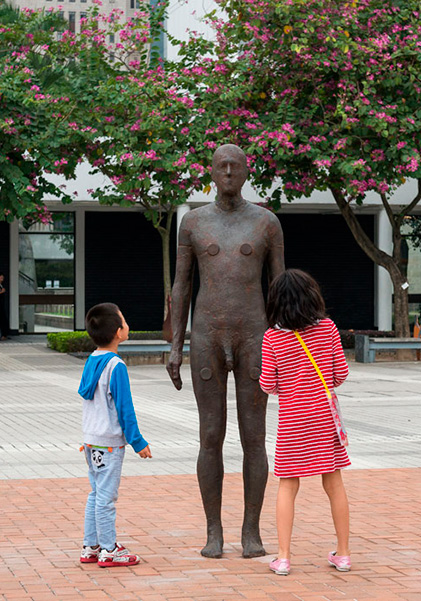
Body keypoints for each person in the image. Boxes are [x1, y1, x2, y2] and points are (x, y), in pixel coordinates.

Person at [167, 144, 285, 558]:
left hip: (255, 336)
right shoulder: (194, 222)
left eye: (237, 166)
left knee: (255, 437)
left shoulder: (267, 223)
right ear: (212, 172)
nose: (230, 172)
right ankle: (213, 530)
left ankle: (250, 531)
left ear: (247, 171)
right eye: (223, 166)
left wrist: (286, 346)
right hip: (207, 337)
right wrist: (176, 345)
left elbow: (280, 289)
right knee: (210, 435)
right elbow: (181, 286)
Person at [259, 269, 351, 576]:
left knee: (288, 484)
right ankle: (344, 553)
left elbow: (268, 384)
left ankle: (283, 557)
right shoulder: (328, 328)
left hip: (293, 421)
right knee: (334, 482)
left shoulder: (272, 336)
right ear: (312, 296)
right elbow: (340, 375)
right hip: (324, 419)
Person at [78, 303, 152, 568]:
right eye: (125, 321)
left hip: (90, 440)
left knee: (96, 494)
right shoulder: (116, 365)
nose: (127, 325)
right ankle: (109, 550)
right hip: (109, 444)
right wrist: (138, 442)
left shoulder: (92, 360)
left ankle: (91, 546)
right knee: (106, 498)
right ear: (119, 332)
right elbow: (125, 408)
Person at [0, 272, 10, 337]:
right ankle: (1, 334)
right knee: (0, 320)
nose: (2, 278)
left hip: (1, 305)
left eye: (2, 277)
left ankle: (4, 334)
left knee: (3, 319)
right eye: (0, 277)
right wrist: (2, 292)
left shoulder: (1, 285)